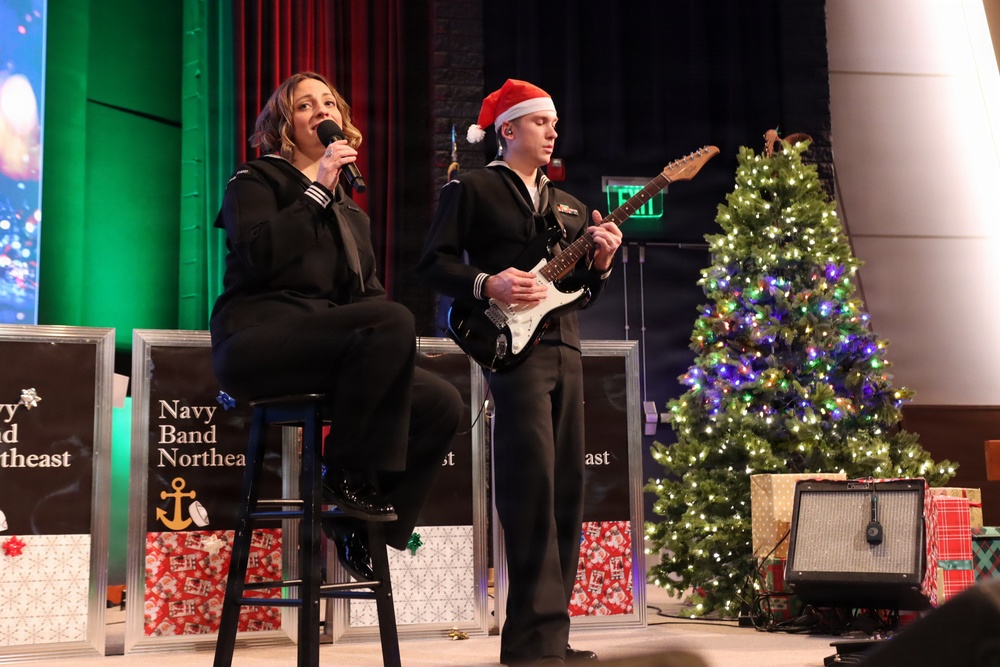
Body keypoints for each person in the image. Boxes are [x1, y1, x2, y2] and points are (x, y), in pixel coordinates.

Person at [210, 71, 462, 582]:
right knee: (392, 317)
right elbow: (261, 256)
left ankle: (358, 527)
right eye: (305, 105)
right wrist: (318, 188)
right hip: (257, 342)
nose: (321, 111)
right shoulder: (255, 179)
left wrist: (397, 357)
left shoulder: (351, 215)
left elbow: (364, 300)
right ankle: (341, 474)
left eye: (328, 103)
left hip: (325, 350)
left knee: (441, 402)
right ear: (284, 124)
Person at [417, 79, 623, 666]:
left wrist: (600, 265)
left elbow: (577, 294)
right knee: (530, 486)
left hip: (566, 348)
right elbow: (431, 264)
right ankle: (533, 643)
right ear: (507, 130)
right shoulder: (472, 188)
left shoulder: (571, 206)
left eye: (554, 122)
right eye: (540, 122)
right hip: (514, 351)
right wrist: (489, 283)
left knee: (567, 491)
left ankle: (551, 636)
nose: (553, 131)